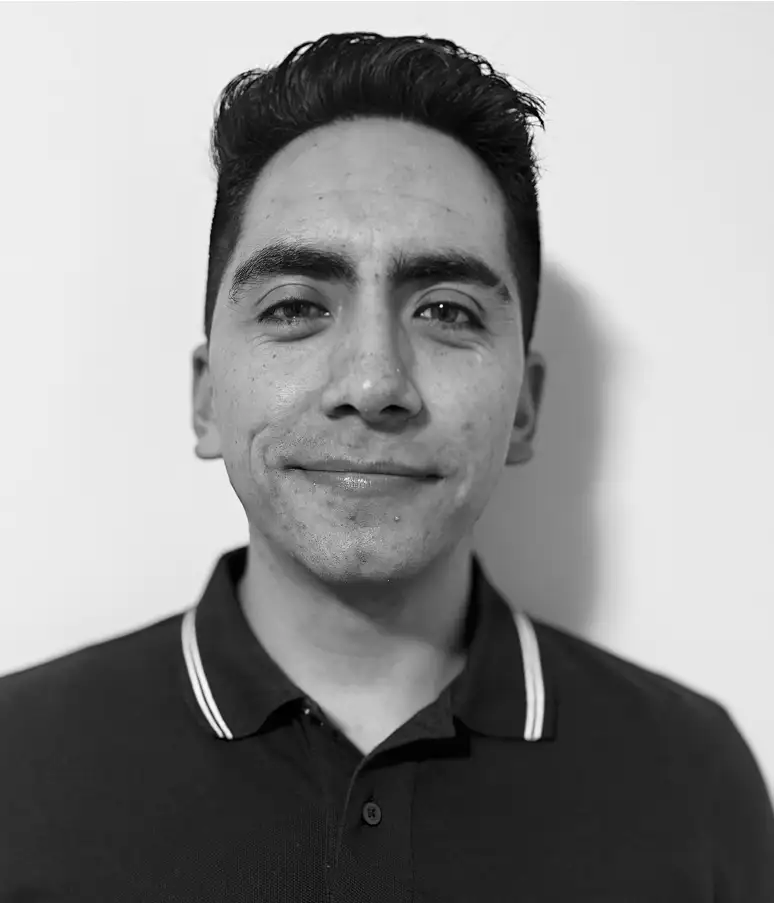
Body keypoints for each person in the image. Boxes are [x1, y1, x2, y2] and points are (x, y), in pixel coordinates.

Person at [1, 30, 772, 902]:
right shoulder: (15, 765)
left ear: (524, 406)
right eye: (295, 306)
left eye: (446, 310)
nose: (373, 385)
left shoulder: (694, 780)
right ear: (208, 396)